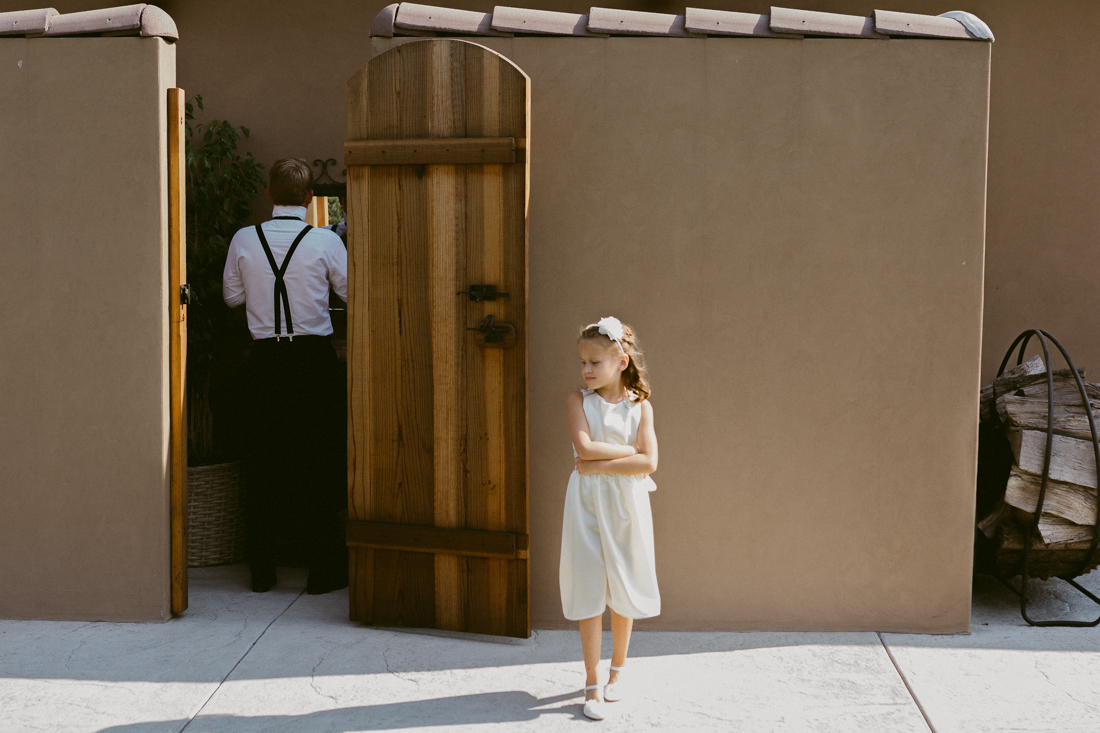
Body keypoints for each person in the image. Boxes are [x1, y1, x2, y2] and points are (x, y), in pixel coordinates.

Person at [223, 158, 349, 595]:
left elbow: (232, 297)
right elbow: (352, 293)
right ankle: (323, 570)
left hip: (263, 362)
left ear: (270, 194)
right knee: (320, 460)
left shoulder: (244, 238)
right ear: (310, 198)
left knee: (263, 462)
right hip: (313, 361)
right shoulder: (324, 242)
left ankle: (262, 569)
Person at [560, 317, 660, 721]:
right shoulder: (577, 401)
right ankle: (591, 678)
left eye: (595, 362)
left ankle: (617, 672)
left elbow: (649, 461)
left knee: (622, 583)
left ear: (621, 361)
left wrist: (597, 461)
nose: (586, 370)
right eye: (583, 362)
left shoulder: (641, 407)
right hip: (585, 504)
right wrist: (624, 456)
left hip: (627, 505)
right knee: (588, 582)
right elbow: (582, 447)